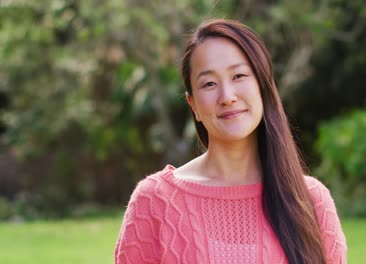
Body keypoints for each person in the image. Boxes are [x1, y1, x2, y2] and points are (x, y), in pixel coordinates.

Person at [114, 19, 347, 264]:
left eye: (238, 76)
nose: (227, 97)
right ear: (193, 104)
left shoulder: (311, 200)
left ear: (263, 85)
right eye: (209, 84)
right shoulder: (155, 200)